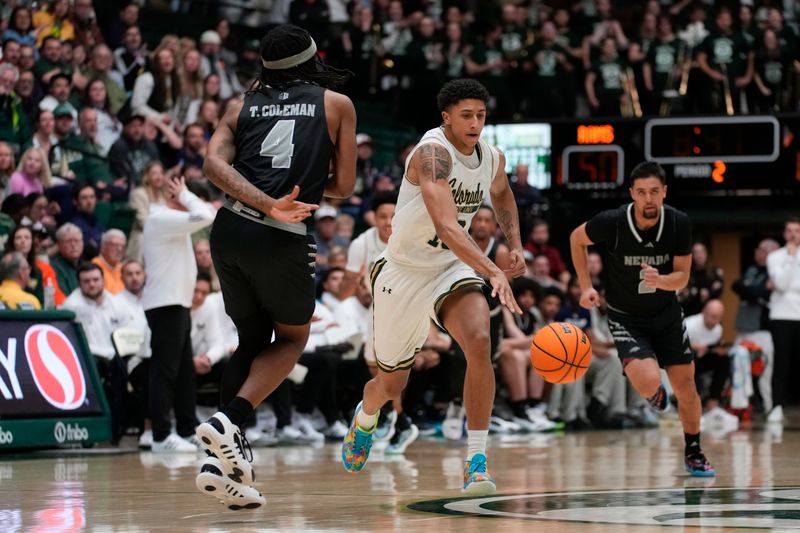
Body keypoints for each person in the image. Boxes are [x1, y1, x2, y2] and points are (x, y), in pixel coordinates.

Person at [194, 24, 356, 510]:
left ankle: (222, 466)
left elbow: (212, 166)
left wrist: (264, 197)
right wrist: (286, 198)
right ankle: (231, 419)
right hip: (280, 235)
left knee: (250, 339)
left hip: (229, 231)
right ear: (313, 60)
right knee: (292, 339)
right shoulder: (336, 104)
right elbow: (344, 187)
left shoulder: (239, 105)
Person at [341, 79, 526, 496]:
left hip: (449, 265)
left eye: (481, 115)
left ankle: (475, 460)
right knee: (391, 386)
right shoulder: (431, 155)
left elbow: (503, 195)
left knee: (480, 341)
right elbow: (445, 223)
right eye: (466, 115)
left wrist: (514, 245)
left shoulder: (491, 157)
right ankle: (367, 415)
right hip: (403, 270)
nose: (476, 123)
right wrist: (492, 270)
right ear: (446, 117)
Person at [570, 160, 715, 477]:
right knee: (649, 380)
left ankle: (694, 450)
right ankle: (653, 392)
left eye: (654, 192)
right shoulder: (614, 222)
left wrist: (662, 281)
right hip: (626, 318)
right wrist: (585, 286)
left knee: (687, 388)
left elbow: (683, 277)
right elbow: (576, 239)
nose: (648, 199)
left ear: (664, 192)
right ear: (632, 194)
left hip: (666, 316)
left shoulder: (678, 223)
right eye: (641, 192)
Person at [142, 174, 215, 454]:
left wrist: (186, 196)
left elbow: (204, 212)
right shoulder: (160, 219)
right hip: (165, 306)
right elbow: (206, 215)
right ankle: (160, 435)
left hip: (178, 305)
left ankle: (186, 429)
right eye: (188, 198)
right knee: (165, 371)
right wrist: (184, 193)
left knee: (185, 373)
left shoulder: (173, 226)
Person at [766, 218, 800, 425]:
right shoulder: (775, 257)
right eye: (790, 230)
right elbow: (781, 283)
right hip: (781, 315)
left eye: (797, 230)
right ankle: (777, 406)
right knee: (781, 362)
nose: (793, 234)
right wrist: (790, 256)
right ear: (784, 234)